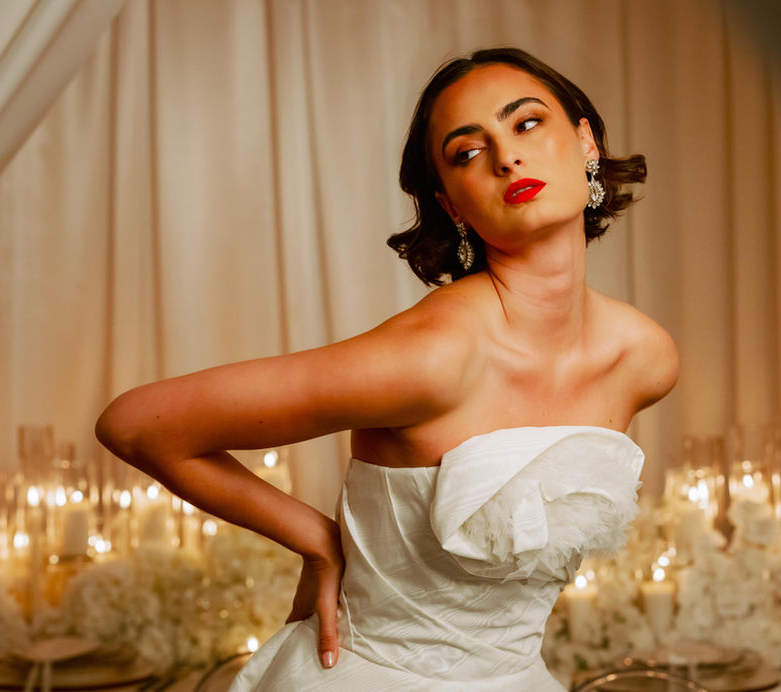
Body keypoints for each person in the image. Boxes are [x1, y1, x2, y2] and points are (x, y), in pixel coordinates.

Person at [96, 47, 678, 690]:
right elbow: (136, 424)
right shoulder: (432, 358)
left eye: (527, 123)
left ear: (586, 141)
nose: (507, 157)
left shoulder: (642, 359)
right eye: (467, 151)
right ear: (451, 204)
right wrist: (316, 539)